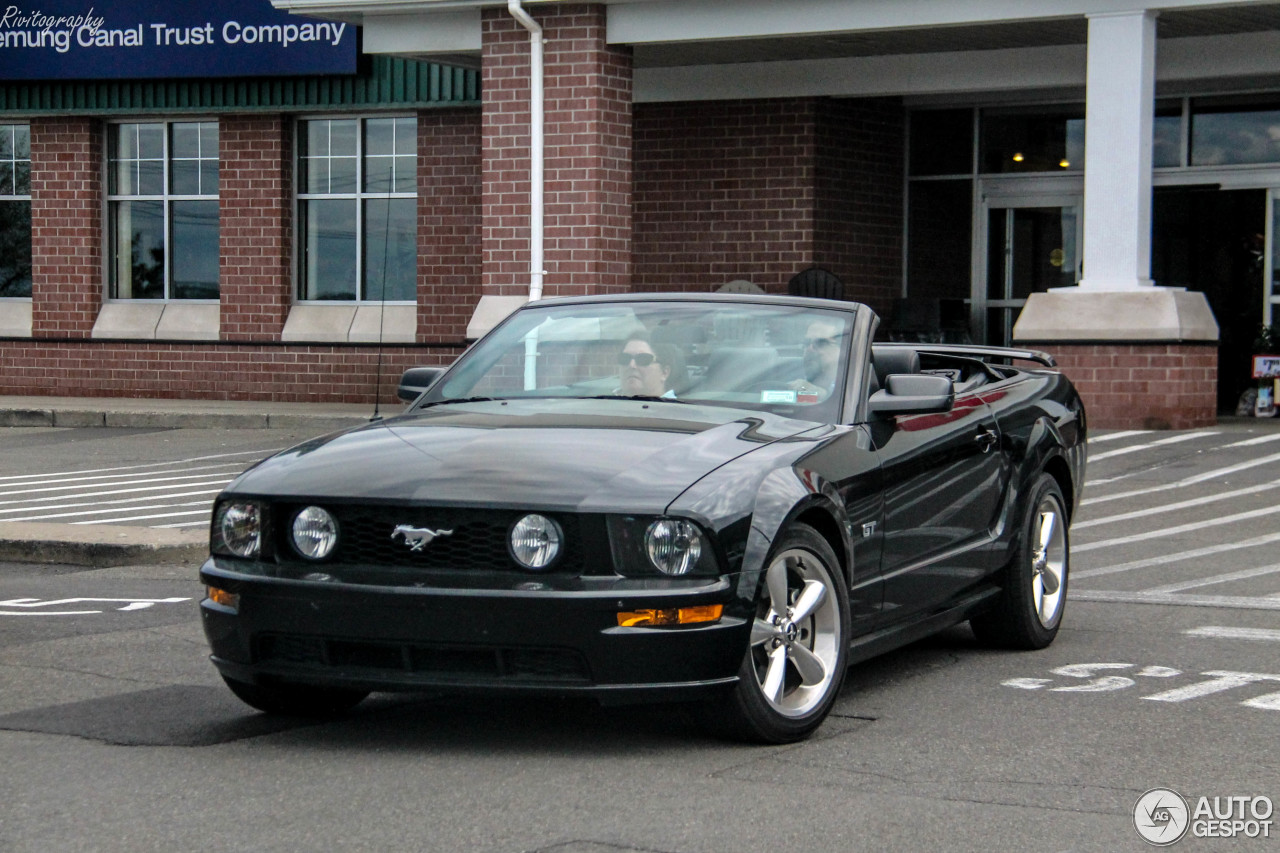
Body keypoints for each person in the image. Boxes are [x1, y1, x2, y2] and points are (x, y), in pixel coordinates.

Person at [790, 318, 843, 399]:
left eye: (821, 343)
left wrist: (824, 395)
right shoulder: (790, 379)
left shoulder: (853, 385)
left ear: (842, 350)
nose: (810, 348)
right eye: (807, 343)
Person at [617, 332, 677, 397]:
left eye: (643, 359)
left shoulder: (677, 407)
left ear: (664, 373)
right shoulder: (607, 403)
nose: (631, 365)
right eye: (625, 358)